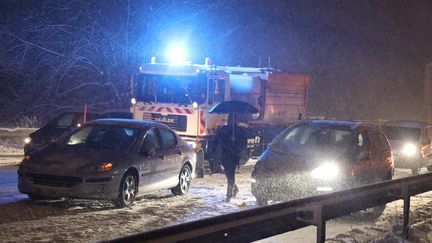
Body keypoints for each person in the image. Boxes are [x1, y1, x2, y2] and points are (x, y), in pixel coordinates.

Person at [212, 113, 247, 202]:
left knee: (231, 174)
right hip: (225, 155)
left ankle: (229, 194)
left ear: (236, 120)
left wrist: (237, 143)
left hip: (234, 155)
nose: (230, 120)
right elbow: (216, 140)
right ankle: (234, 188)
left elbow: (243, 143)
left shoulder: (239, 130)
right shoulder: (223, 129)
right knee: (228, 174)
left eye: (232, 119)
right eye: (229, 119)